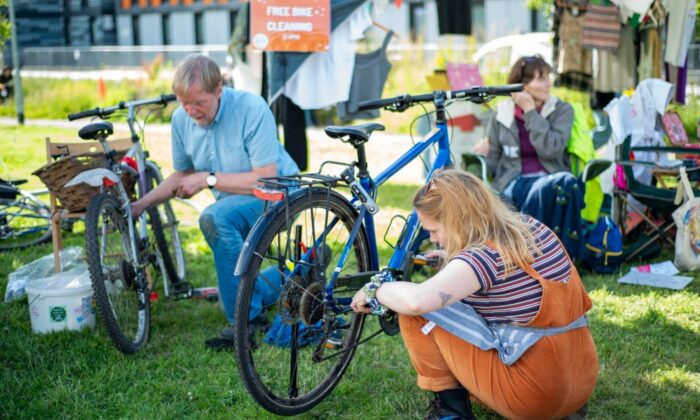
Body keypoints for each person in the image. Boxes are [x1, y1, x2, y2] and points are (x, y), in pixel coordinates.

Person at [351, 169, 598, 419]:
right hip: (579, 383)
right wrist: (452, 261)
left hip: (534, 398)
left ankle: (452, 412)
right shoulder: (530, 229)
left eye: (435, 231)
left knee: (418, 314)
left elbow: (417, 302)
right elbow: (509, 270)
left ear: (457, 220)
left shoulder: (480, 257)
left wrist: (377, 290)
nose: (434, 240)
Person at [131, 54, 299, 351]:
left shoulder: (251, 108)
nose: (190, 110)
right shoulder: (181, 119)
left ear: (218, 90)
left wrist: (208, 179)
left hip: (279, 196)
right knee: (219, 218)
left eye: (198, 103)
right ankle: (294, 276)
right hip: (234, 198)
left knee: (214, 218)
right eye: (183, 103)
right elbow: (183, 173)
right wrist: (140, 206)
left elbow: (265, 178)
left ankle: (244, 322)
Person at [475, 55, 574, 210]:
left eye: (548, 77)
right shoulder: (502, 114)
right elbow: (493, 158)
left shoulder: (561, 110)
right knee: (532, 195)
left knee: (545, 192)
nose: (549, 83)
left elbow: (550, 150)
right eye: (541, 78)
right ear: (523, 86)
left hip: (552, 179)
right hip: (513, 182)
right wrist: (475, 162)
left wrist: (530, 112)